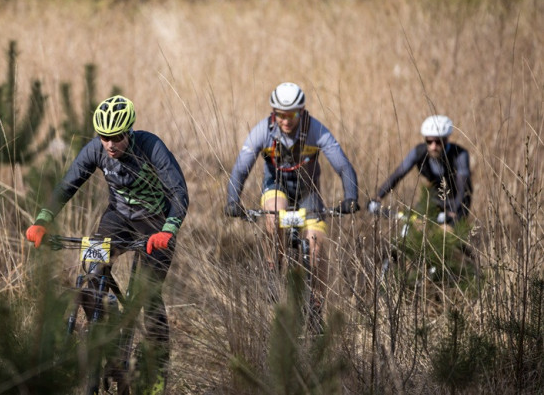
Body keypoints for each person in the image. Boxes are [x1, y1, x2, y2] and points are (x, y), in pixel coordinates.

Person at [25, 95, 188, 394]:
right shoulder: (95, 150)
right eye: (104, 138)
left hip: (155, 225)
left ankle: (157, 368)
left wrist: (169, 228)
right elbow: (68, 184)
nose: (110, 145)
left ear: (130, 132)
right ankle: (103, 325)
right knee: (90, 268)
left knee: (147, 296)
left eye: (116, 138)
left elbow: (178, 191)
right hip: (118, 219)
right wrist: (43, 219)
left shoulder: (151, 147)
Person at [224, 82, 359, 322]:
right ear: (273, 113)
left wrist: (351, 196)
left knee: (316, 247)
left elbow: (343, 165)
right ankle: (273, 267)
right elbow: (241, 168)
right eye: (281, 115)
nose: (286, 121)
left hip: (309, 193)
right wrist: (233, 200)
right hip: (276, 187)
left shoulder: (316, 130)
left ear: (302, 111)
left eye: (293, 115)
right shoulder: (262, 131)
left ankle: (316, 306)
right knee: (275, 214)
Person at [367, 114, 472, 230]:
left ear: (446, 140)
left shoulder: (460, 154)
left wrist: (453, 211)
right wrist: (378, 197)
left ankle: (459, 246)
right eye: (429, 141)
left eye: (438, 142)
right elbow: (398, 174)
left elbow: (463, 188)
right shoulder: (419, 151)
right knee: (415, 228)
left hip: (457, 200)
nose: (433, 146)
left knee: (446, 234)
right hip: (434, 197)